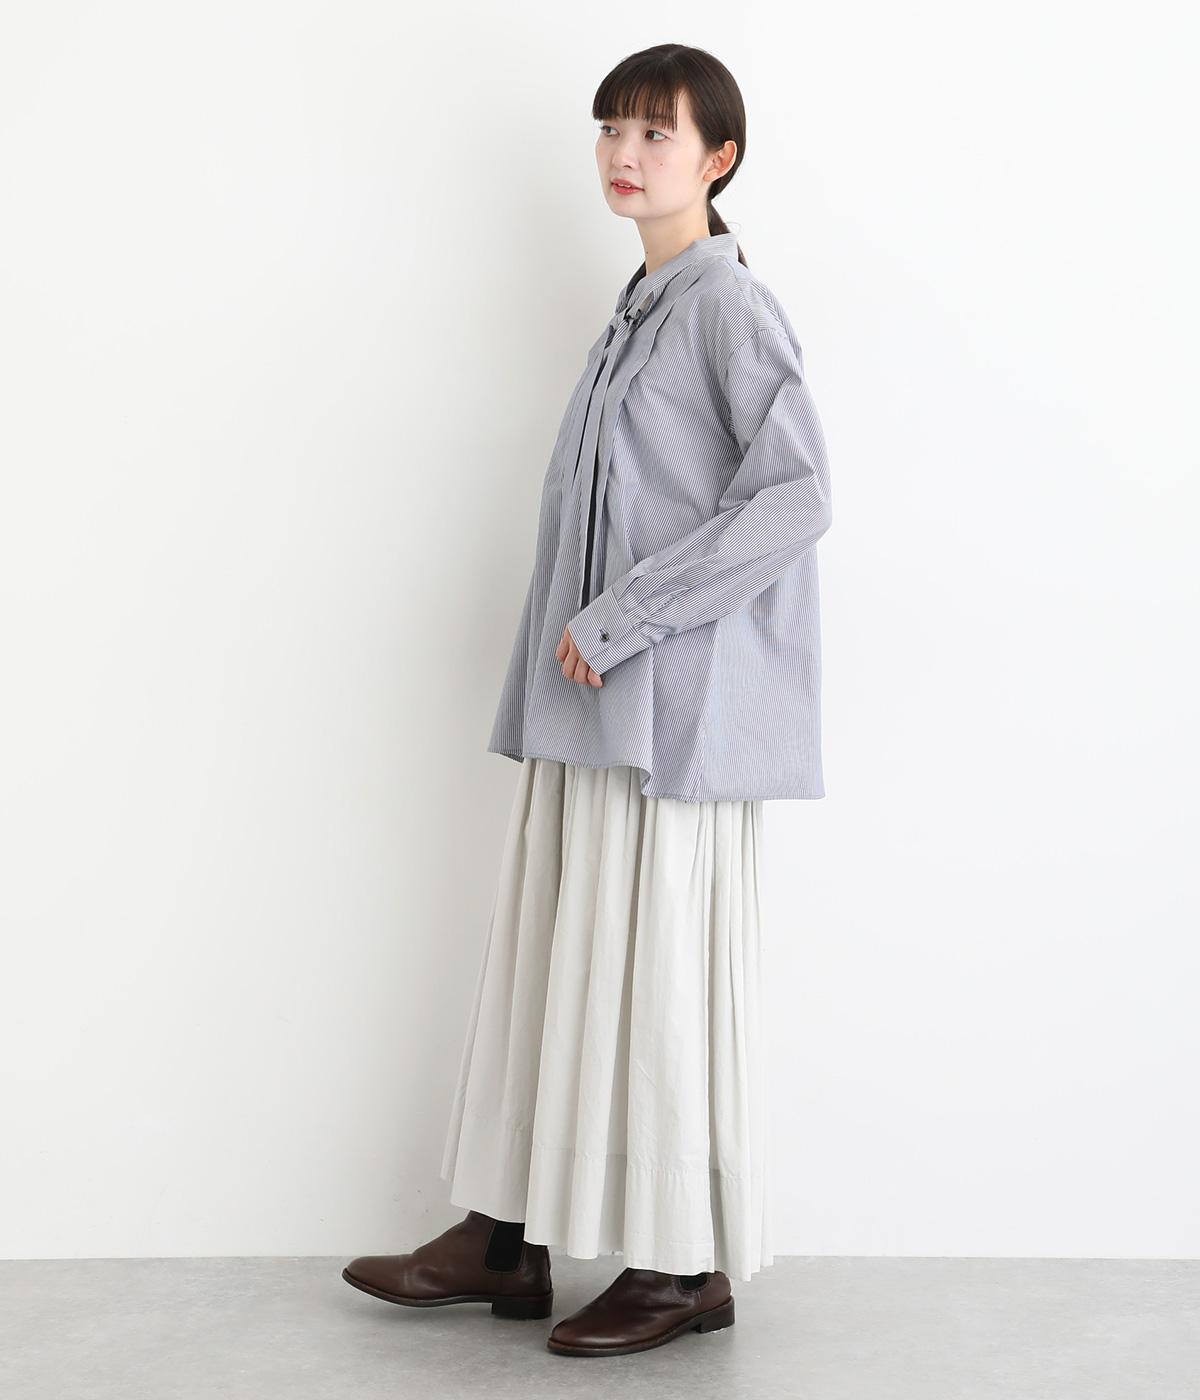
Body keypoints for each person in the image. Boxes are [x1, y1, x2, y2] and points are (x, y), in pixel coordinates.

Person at [343, 42, 832, 1358]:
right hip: (591, 715)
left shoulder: (727, 306)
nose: (624, 153)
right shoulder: (640, 306)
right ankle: (508, 1239)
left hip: (668, 722)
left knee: (655, 979)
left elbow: (797, 497)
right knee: (556, 967)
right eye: (611, 127)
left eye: (656, 132)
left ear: (720, 158)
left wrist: (626, 620)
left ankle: (682, 1269)